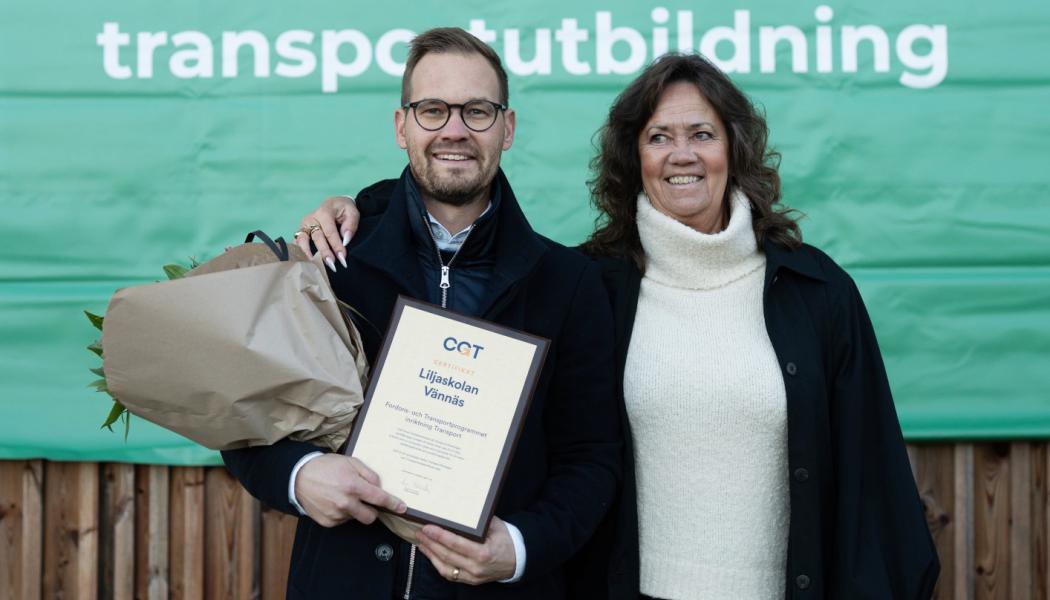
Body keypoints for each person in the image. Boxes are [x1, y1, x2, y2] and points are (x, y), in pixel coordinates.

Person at [301, 53, 940, 599]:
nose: (681, 154)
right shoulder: (597, 284)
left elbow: (872, 480)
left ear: (734, 147)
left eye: (702, 134)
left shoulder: (816, 292)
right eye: (659, 137)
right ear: (634, 156)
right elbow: (585, 455)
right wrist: (366, 206)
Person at [222, 27, 621, 600]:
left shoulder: (568, 283)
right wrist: (298, 476)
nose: (455, 130)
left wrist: (521, 547)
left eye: (477, 111)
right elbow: (248, 412)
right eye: (433, 110)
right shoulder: (331, 259)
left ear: (507, 128)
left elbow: (591, 457)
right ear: (401, 126)